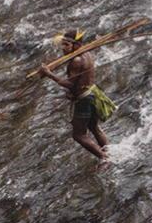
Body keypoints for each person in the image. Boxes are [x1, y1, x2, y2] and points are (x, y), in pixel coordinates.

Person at [39, 30, 110, 161]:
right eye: (63, 45)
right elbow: (80, 80)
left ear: (76, 45)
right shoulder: (87, 54)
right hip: (91, 93)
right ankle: (108, 151)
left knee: (78, 135)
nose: (63, 49)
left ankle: (104, 158)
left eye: (66, 45)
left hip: (84, 99)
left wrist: (49, 73)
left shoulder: (76, 60)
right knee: (93, 126)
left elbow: (70, 83)